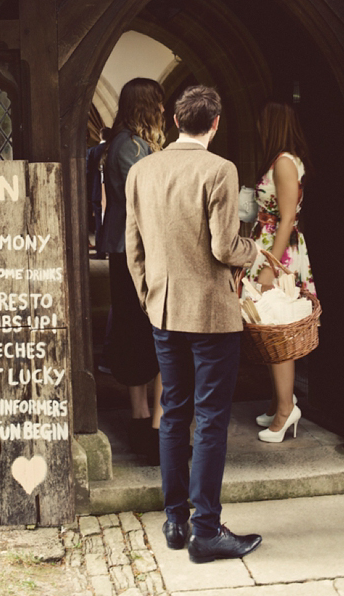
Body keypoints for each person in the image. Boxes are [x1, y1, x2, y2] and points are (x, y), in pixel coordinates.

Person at [125, 84, 262, 563]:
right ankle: (206, 530)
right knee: (210, 421)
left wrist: (149, 298)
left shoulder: (142, 169)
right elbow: (225, 248)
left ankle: (175, 522)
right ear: (215, 123)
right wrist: (256, 250)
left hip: (164, 310)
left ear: (176, 122)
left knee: (175, 414)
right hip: (210, 314)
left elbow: (133, 247)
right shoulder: (219, 169)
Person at [100, 78, 164, 464]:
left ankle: (147, 421)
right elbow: (151, 195)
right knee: (141, 331)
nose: (162, 109)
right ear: (145, 105)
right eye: (157, 103)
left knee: (139, 330)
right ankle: (145, 423)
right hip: (134, 252)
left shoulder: (132, 143)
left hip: (135, 249)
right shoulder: (129, 146)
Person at [246, 101, 317, 443]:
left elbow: (286, 218)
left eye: (262, 123)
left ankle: (287, 411)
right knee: (271, 328)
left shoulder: (284, 163)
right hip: (270, 249)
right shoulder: (280, 161)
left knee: (278, 331)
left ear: (272, 125)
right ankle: (279, 403)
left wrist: (271, 269)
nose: (258, 129)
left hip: (279, 255)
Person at [86, 127, 110, 259]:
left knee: (99, 223)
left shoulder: (93, 151)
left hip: (96, 192)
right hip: (111, 192)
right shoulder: (112, 150)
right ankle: (111, 250)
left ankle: (100, 251)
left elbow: (88, 173)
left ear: (100, 136)